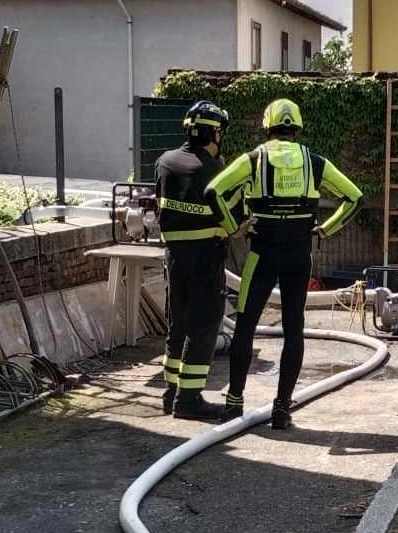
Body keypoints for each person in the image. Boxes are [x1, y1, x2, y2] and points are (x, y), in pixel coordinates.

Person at [206, 98, 363, 428]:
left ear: (267, 127)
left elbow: (213, 191)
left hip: (262, 253)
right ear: (298, 127)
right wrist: (326, 229)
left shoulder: (253, 159)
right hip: (299, 255)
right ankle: (281, 410)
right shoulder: (314, 162)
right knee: (294, 328)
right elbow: (355, 197)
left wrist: (233, 228)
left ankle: (234, 404)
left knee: (246, 324)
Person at [155, 100, 241, 420]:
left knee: (178, 322)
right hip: (205, 256)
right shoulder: (216, 170)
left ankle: (171, 392)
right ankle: (188, 400)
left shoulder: (164, 162)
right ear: (214, 133)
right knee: (205, 325)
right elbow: (235, 219)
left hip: (173, 256)